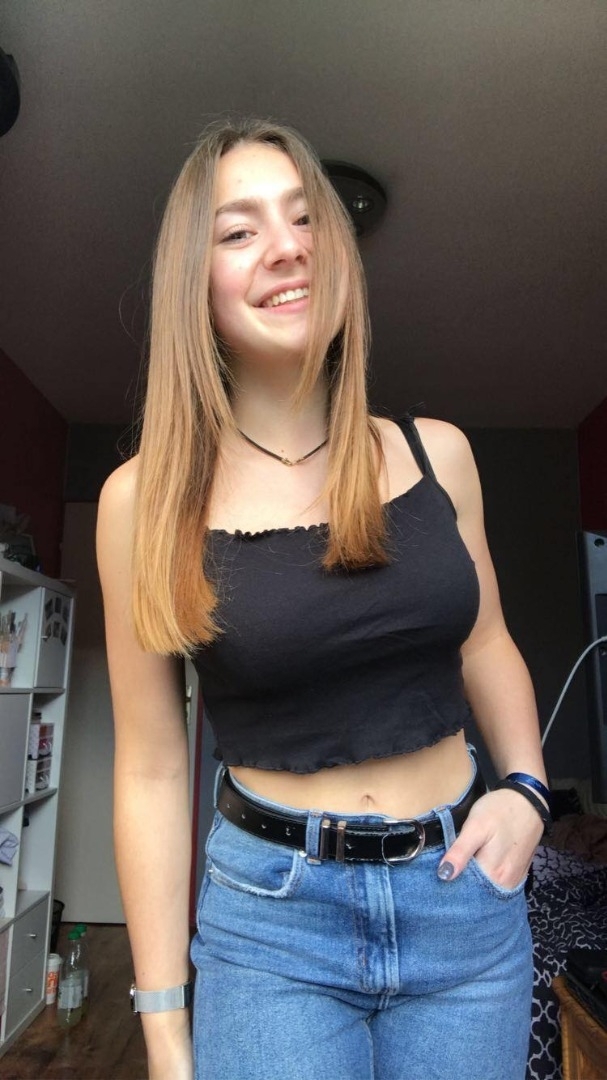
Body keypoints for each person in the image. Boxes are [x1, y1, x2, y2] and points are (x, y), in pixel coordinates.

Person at [97, 118, 550, 1080]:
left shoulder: (437, 454)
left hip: (464, 906)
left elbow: (487, 644)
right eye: (239, 230)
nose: (287, 246)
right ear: (193, 283)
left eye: (305, 219)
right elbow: (150, 768)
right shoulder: (141, 502)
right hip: (272, 931)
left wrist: (526, 791)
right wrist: (163, 1026)